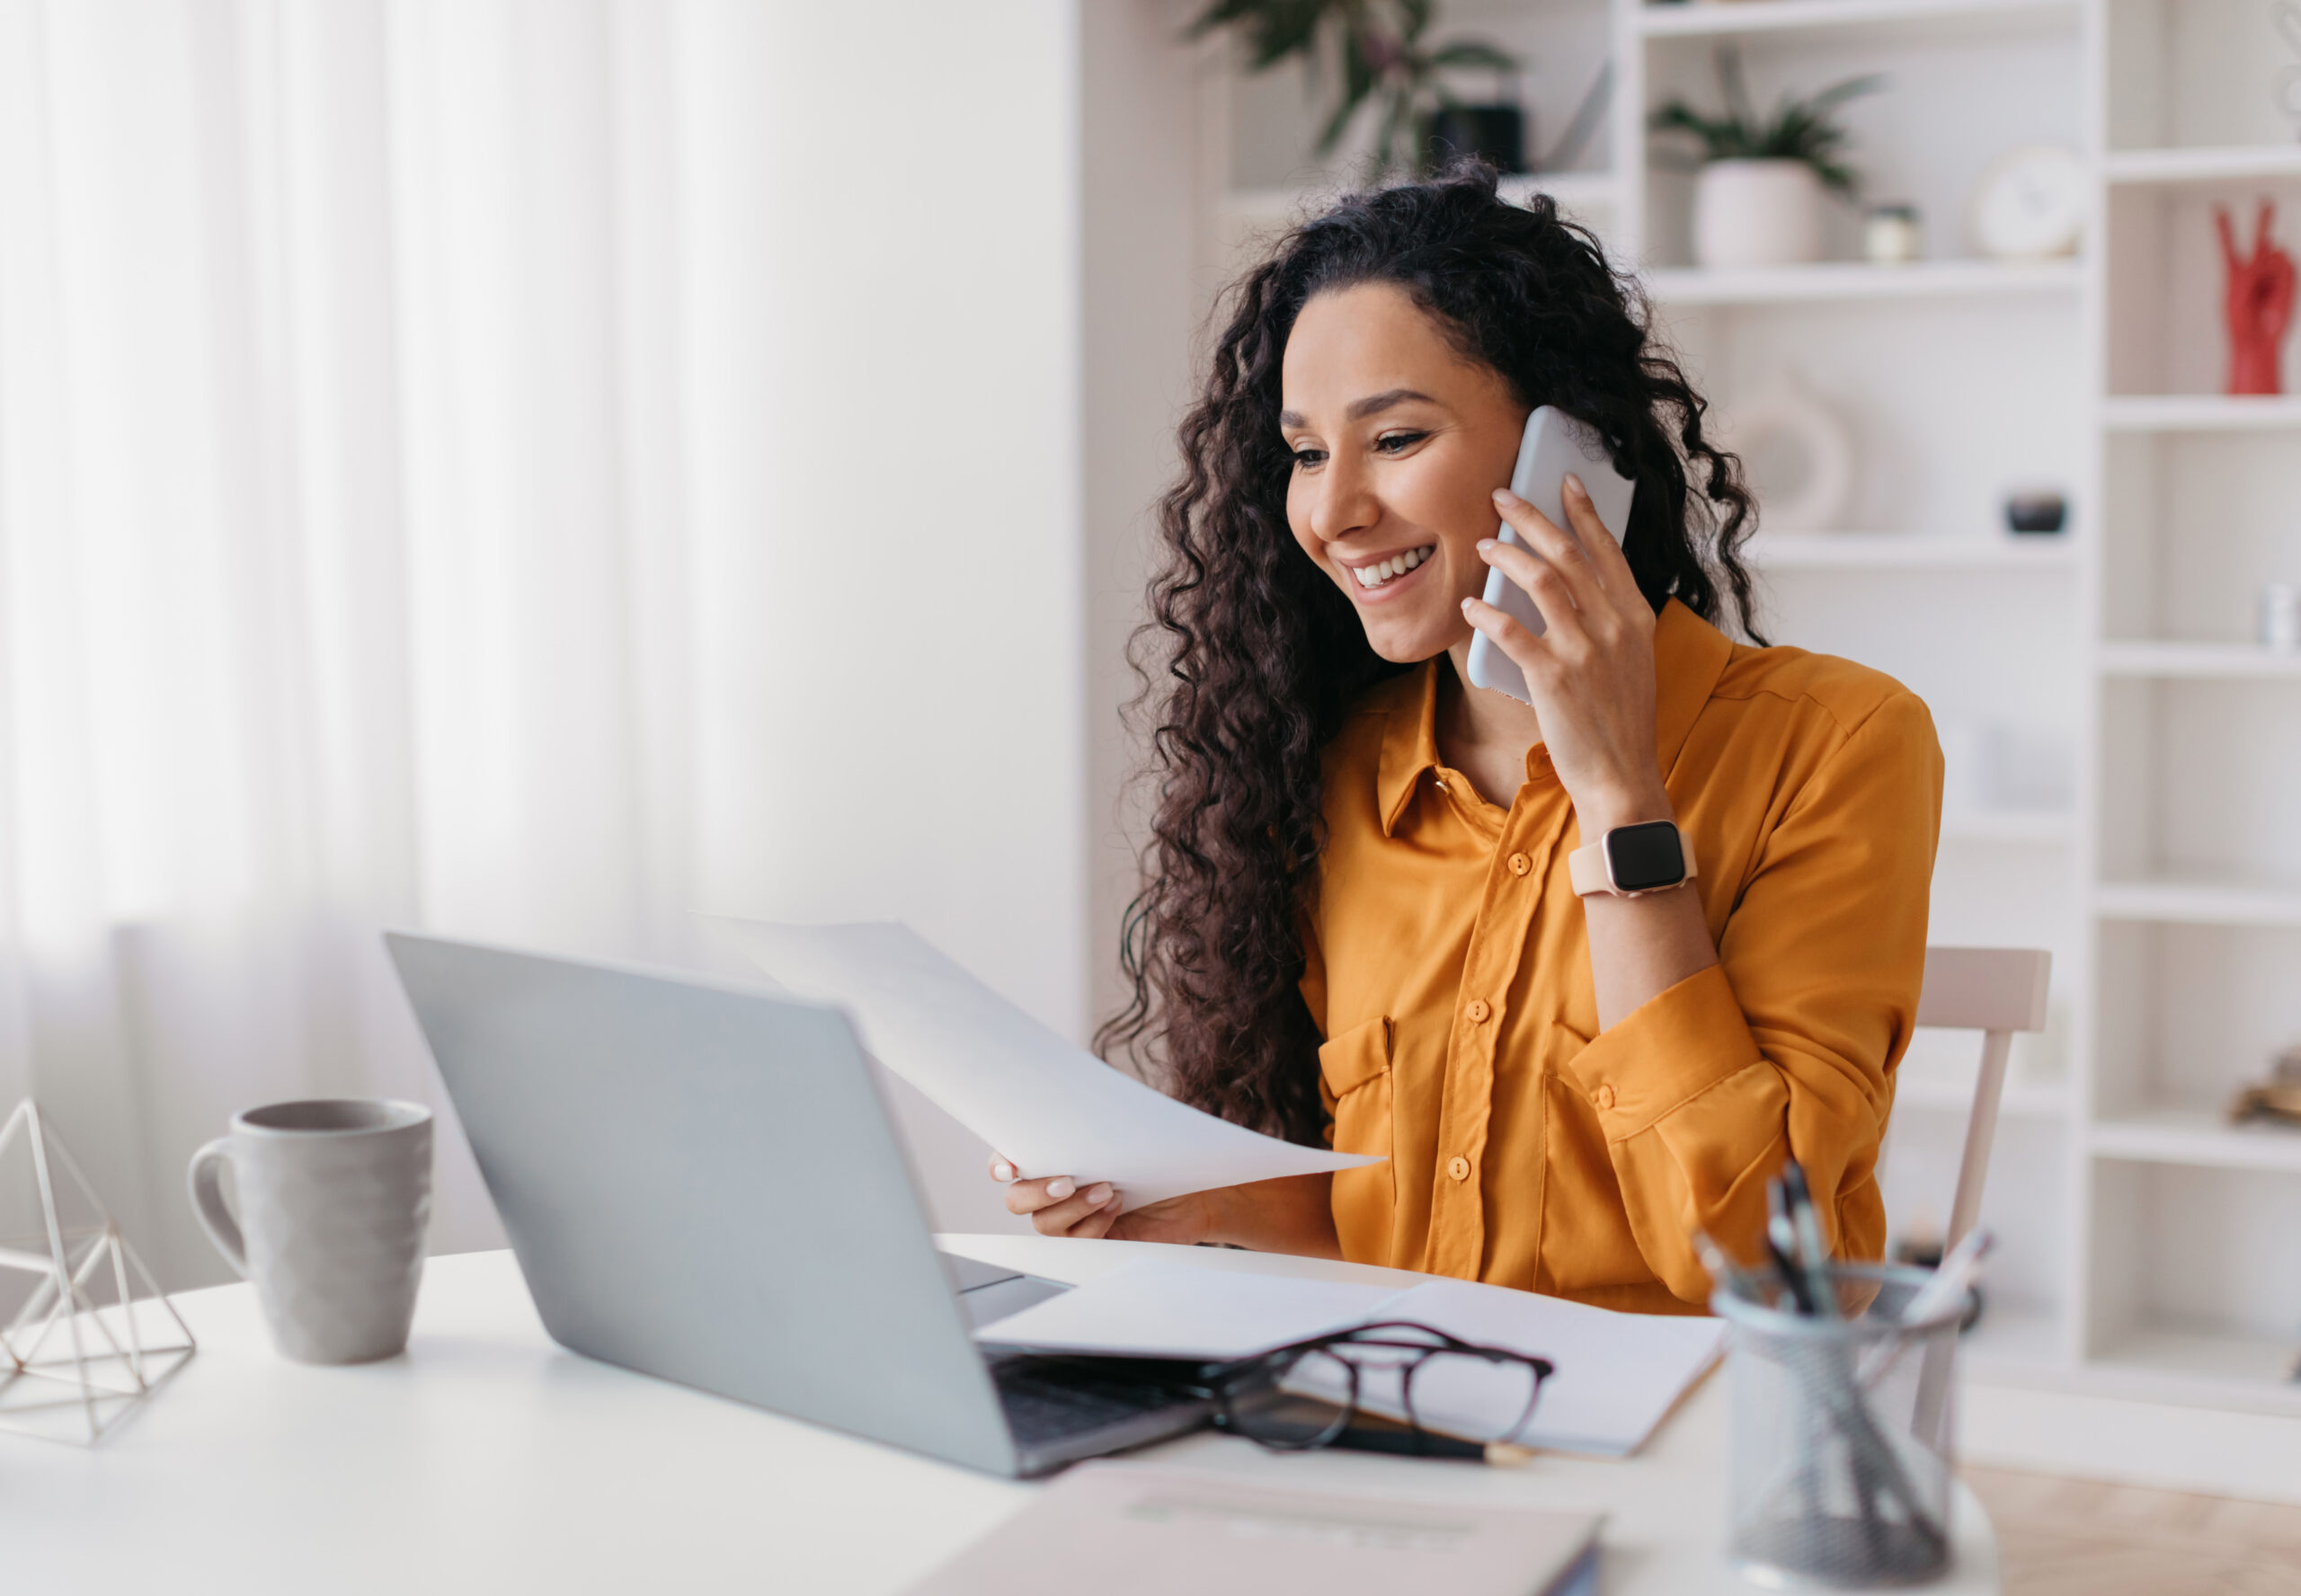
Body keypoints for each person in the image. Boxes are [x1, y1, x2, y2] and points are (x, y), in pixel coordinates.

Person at [995, 164, 1941, 1313]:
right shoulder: (1340, 772)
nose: (1333, 512)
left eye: (1393, 437)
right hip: (1416, 1403)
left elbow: (1770, 1268)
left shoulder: (1839, 743)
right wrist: (1184, 1206)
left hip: (1688, 1440)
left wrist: (1617, 797)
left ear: (1570, 457)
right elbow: (1413, 1238)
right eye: (1303, 453)